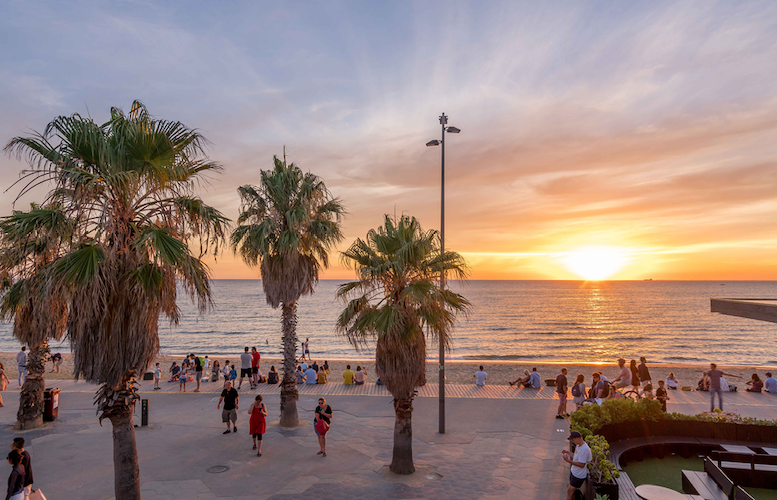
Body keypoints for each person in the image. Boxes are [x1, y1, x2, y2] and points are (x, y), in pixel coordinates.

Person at [562, 431, 591, 500]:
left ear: (577, 438)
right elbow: (576, 457)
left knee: (569, 492)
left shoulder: (584, 449)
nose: (572, 441)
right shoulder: (579, 446)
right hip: (574, 472)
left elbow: (582, 464)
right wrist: (568, 452)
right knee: (572, 492)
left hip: (578, 475)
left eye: (573, 439)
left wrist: (568, 461)